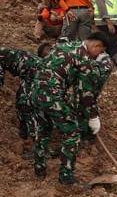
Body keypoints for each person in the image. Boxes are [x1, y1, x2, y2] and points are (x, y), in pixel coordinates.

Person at [28, 33, 106, 186]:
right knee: (72, 132)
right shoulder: (84, 59)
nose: (98, 55)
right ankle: (66, 176)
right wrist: (93, 117)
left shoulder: (66, 45)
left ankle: (39, 169)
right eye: (100, 51)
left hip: (35, 93)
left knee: (43, 129)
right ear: (95, 46)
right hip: (52, 97)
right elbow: (85, 93)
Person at [0, 43, 42, 142]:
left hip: (34, 73)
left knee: (25, 104)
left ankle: (37, 143)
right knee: (21, 100)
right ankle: (25, 132)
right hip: (32, 72)